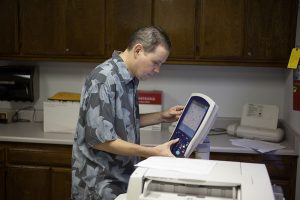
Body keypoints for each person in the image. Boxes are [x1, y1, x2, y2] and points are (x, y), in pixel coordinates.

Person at [72, 26, 184, 200]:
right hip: (99, 185)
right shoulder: (104, 79)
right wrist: (153, 152)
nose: (157, 70)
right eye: (156, 62)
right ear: (138, 50)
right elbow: (101, 140)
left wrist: (162, 116)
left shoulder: (129, 79)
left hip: (119, 179)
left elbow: (122, 123)